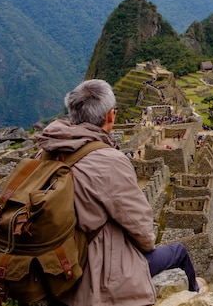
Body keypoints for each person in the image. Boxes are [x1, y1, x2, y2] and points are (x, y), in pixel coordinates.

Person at [37, 79, 204, 305]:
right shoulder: (109, 161)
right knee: (179, 252)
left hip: (52, 266)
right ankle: (197, 296)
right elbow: (142, 228)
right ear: (110, 116)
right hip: (93, 277)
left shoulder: (45, 153)